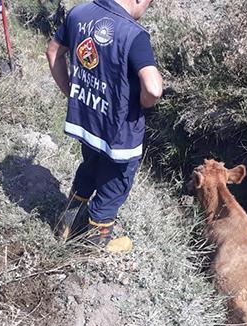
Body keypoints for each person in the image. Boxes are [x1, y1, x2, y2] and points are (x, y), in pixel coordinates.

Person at [46, 0, 162, 252]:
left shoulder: (80, 12)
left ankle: (66, 225)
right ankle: (93, 245)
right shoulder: (135, 34)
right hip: (119, 132)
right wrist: (142, 103)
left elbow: (53, 51)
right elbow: (153, 88)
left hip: (87, 121)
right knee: (114, 185)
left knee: (89, 167)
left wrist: (71, 92)